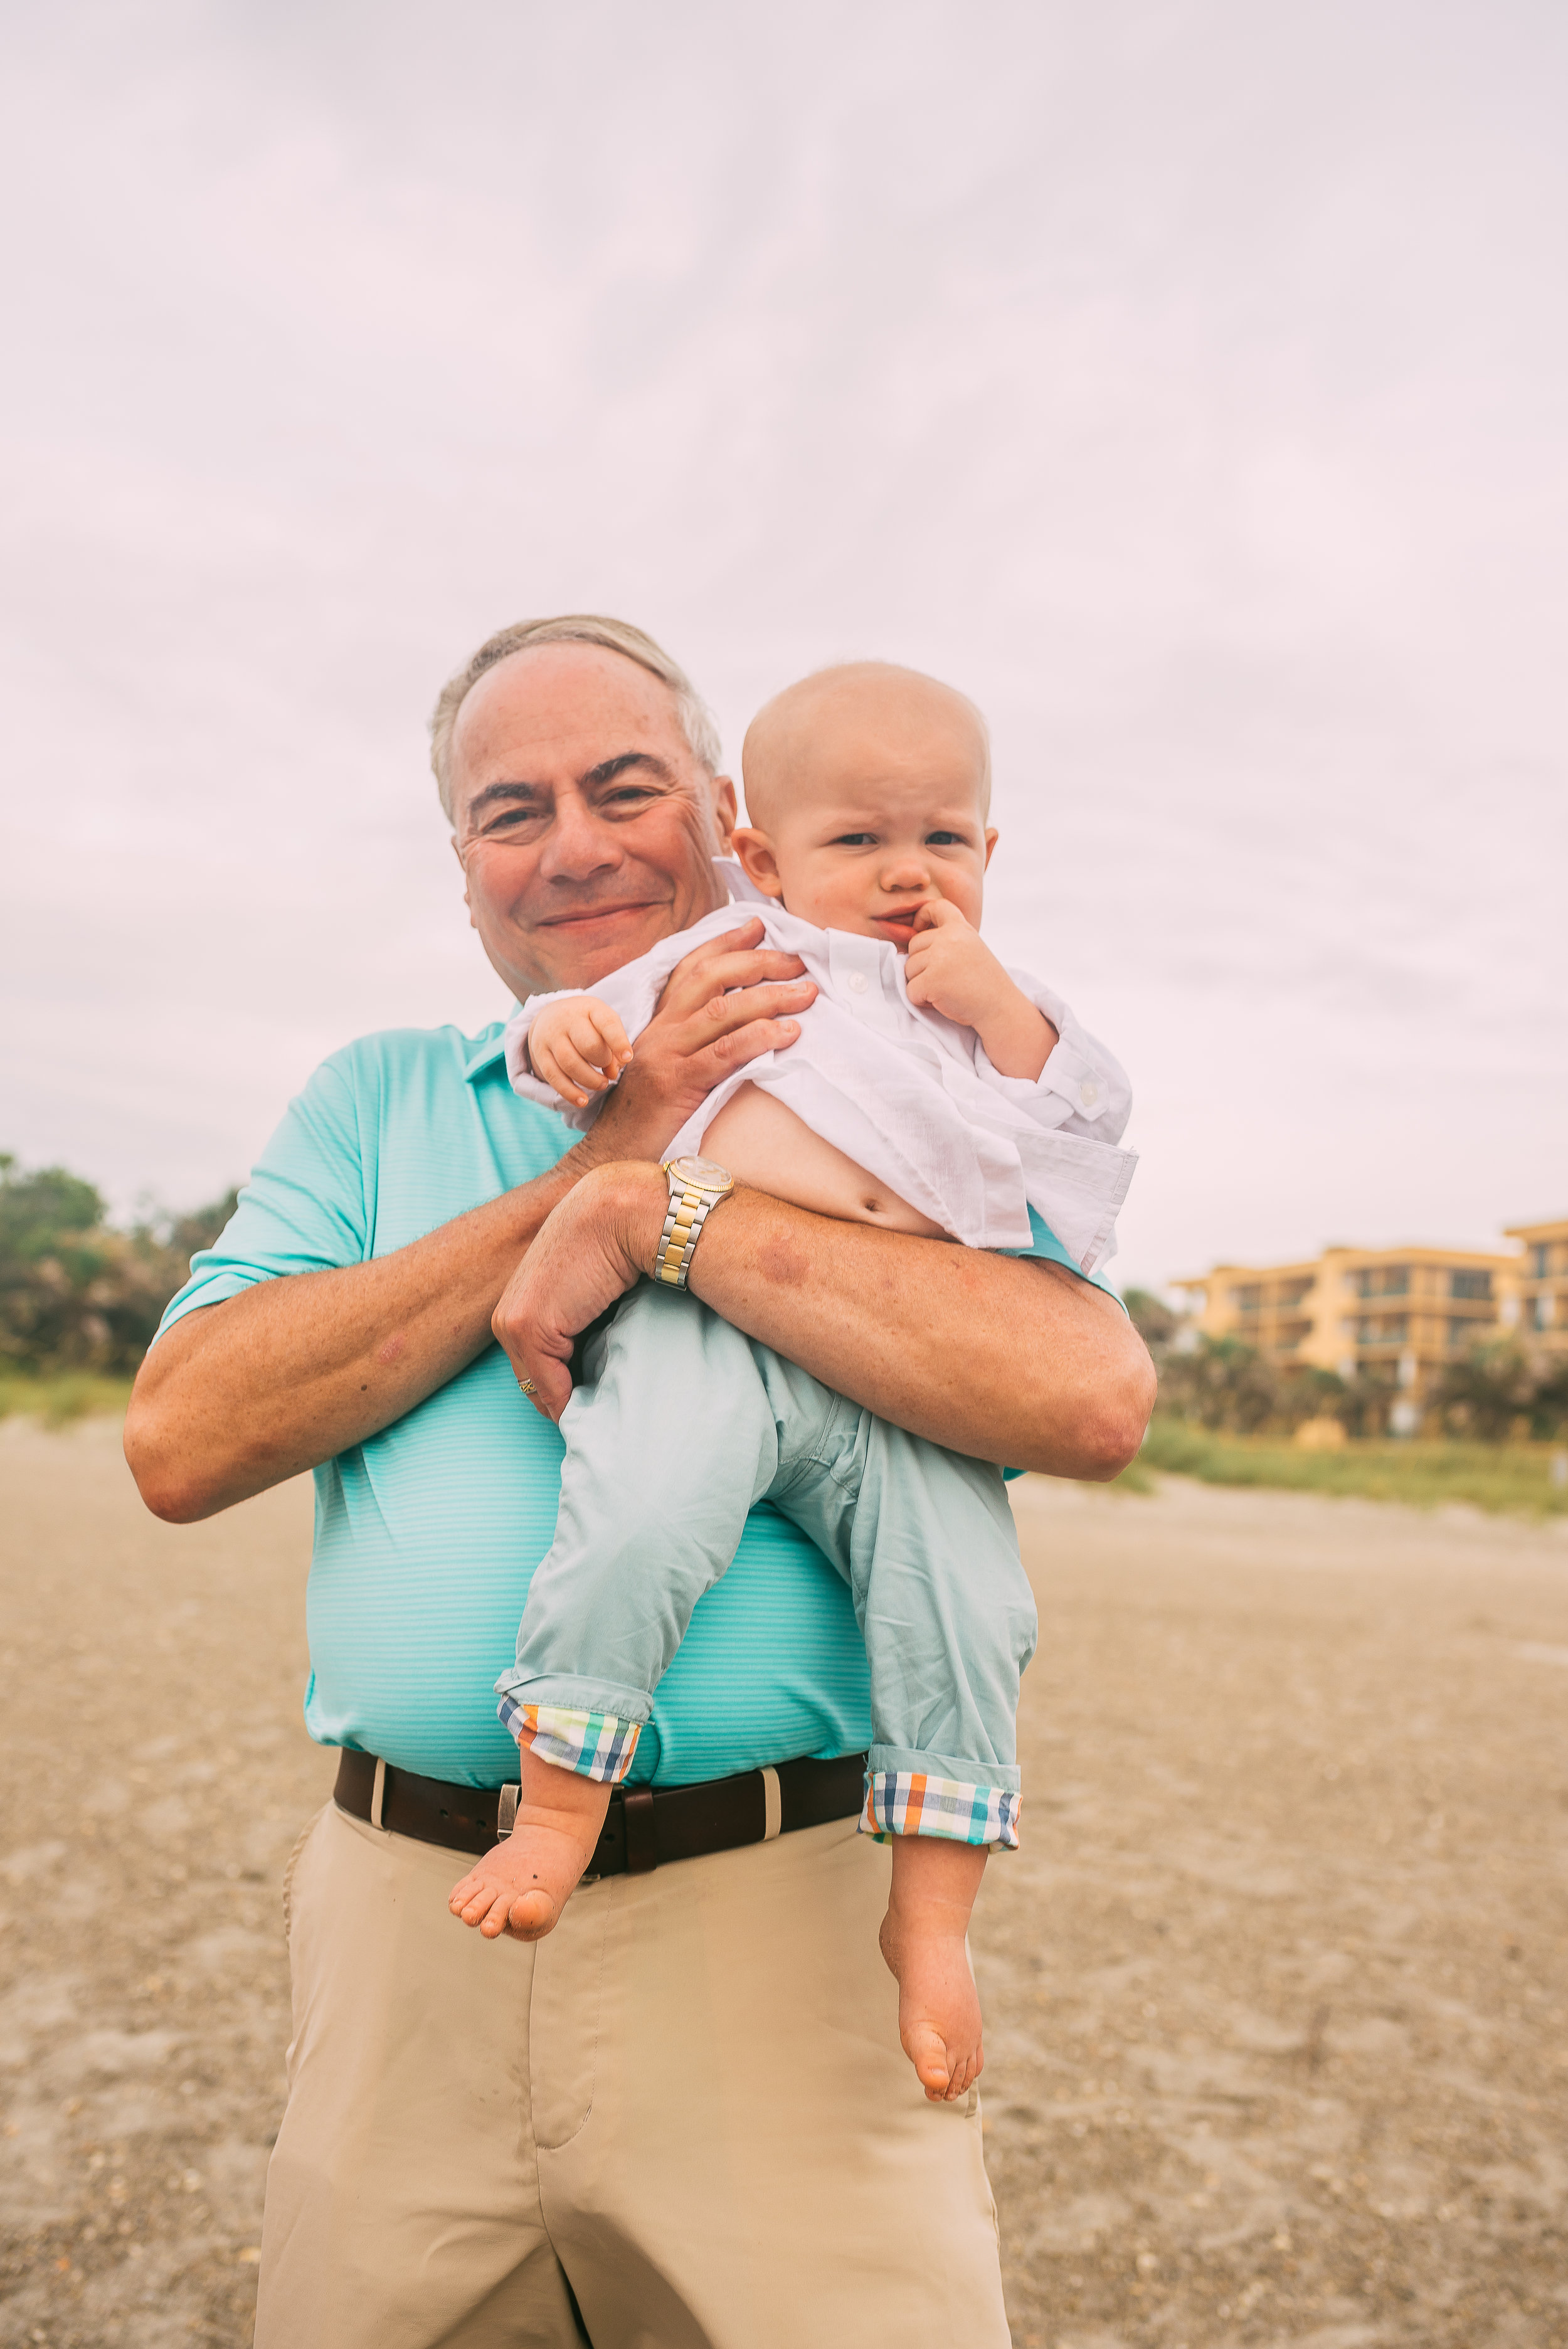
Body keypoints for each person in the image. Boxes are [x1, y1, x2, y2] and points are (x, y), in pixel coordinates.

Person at [124, 615, 1155, 2349]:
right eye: (508, 810)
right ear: (463, 868)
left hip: (783, 1939)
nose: (575, 844)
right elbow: (180, 1438)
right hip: (411, 1934)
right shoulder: (379, 1101)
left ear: (725, 818)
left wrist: (673, 1212)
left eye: (625, 787)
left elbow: (1085, 1388)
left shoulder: (904, 1061)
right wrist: (592, 1169)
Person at [447, 662, 1136, 2114]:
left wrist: (1002, 1012)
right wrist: (562, 1034)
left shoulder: (995, 1011)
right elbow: (585, 1031)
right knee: (637, 1508)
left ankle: (934, 1915)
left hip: (894, 1356)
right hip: (709, 1321)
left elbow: (1079, 1142)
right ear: (757, 857)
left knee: (969, 1603)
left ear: (990, 854)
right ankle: (561, 1804)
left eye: (943, 841)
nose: (904, 876)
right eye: (856, 843)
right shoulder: (741, 953)